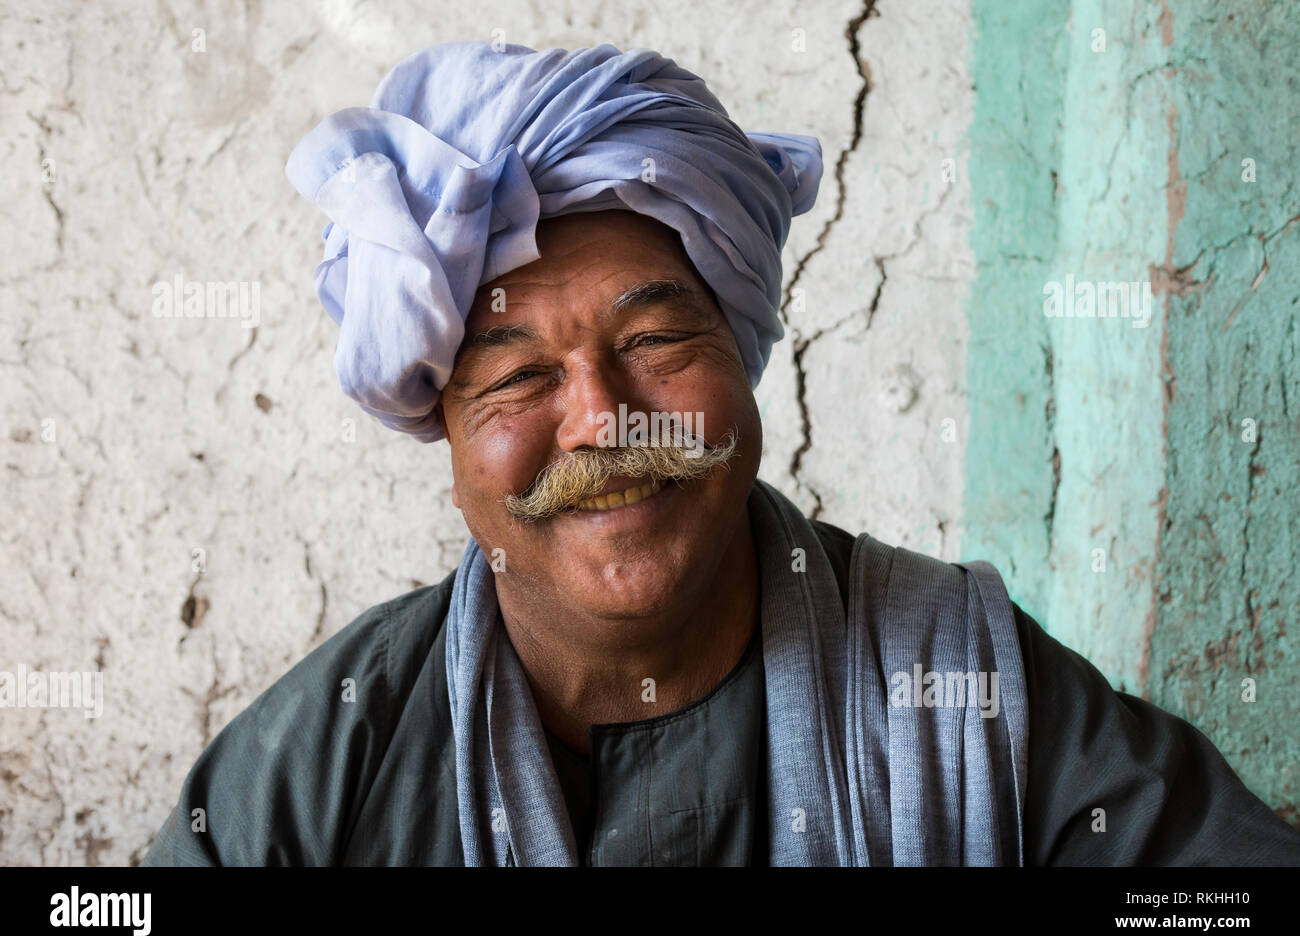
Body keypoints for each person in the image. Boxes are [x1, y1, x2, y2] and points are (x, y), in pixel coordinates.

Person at [143, 41, 1300, 866]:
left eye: (653, 337)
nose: (603, 419)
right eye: (518, 373)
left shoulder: (960, 684)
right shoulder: (332, 752)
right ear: (444, 428)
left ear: (739, 360)